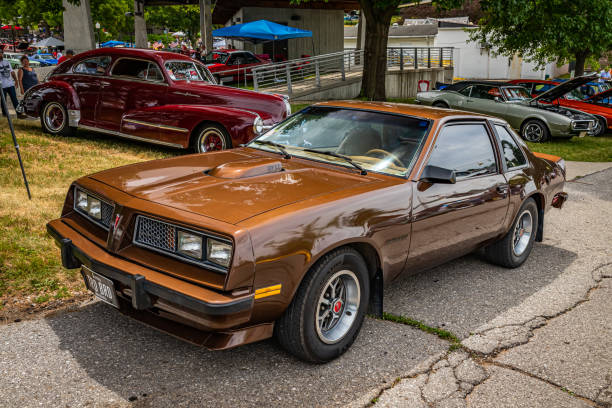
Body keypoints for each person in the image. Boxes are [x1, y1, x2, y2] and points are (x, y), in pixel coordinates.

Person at [0, 50, 19, 117]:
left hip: (10, 84)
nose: (1, 54)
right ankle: (5, 115)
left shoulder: (7, 62)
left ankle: (19, 113)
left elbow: (12, 72)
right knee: (3, 101)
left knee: (15, 99)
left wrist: (16, 80)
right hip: (2, 86)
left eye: (1, 53)